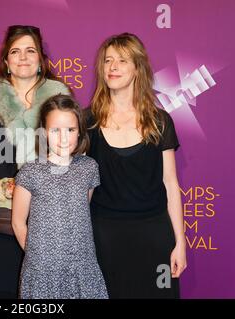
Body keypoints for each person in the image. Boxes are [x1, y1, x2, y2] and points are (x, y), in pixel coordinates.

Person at [86, 33, 187, 298]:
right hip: (103, 237)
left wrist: (179, 243)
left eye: (122, 60)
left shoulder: (160, 121)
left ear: (137, 68)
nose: (113, 67)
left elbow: (170, 184)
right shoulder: (87, 121)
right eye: (108, 61)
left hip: (154, 236)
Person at [0, 25, 70, 298]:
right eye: (15, 51)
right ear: (6, 61)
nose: (23, 57)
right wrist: (5, 185)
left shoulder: (60, 99)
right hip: (2, 211)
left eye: (31, 51)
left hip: (48, 213)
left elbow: (68, 156)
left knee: (45, 293)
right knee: (3, 289)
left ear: (41, 59)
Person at [12, 94, 108, 299]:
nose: (63, 138)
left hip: (82, 266)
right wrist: (37, 257)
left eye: (70, 130)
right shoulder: (31, 172)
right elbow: (18, 223)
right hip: (42, 272)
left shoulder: (89, 168)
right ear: (44, 133)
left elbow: (82, 209)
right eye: (55, 130)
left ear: (80, 132)